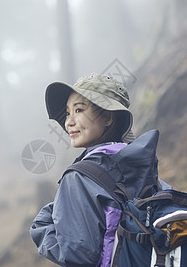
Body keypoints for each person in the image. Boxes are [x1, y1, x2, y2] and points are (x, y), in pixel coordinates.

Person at [30, 73, 170, 267]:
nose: (69, 122)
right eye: (68, 113)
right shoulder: (141, 167)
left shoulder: (79, 178)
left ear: (107, 117)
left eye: (79, 110)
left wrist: (42, 227)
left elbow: (78, 256)